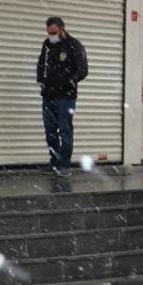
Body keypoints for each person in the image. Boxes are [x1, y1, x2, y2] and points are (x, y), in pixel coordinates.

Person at [35, 17, 88, 177]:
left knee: (65, 129)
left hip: (66, 96)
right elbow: (41, 64)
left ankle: (64, 164)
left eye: (54, 32)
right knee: (50, 130)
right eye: (49, 32)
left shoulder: (74, 45)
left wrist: (67, 82)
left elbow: (83, 70)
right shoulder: (47, 45)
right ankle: (54, 162)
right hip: (48, 94)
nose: (51, 35)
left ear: (62, 29)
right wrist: (41, 80)